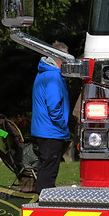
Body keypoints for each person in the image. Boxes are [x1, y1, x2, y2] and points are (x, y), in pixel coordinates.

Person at [31, 41, 70, 194]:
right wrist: (62, 125)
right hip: (51, 130)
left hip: (43, 129)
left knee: (44, 166)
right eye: (66, 58)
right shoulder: (54, 76)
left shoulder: (43, 73)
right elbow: (53, 106)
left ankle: (42, 196)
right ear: (59, 57)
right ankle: (44, 199)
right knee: (49, 169)